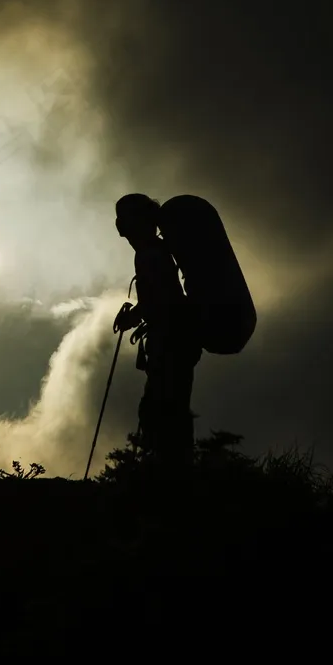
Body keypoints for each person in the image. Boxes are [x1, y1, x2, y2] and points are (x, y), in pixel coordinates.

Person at [113, 194, 202, 467]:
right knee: (170, 409)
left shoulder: (149, 255)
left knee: (161, 411)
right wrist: (138, 314)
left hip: (170, 342)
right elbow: (162, 297)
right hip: (179, 340)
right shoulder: (158, 251)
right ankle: (173, 472)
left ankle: (168, 477)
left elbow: (159, 301)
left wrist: (134, 317)